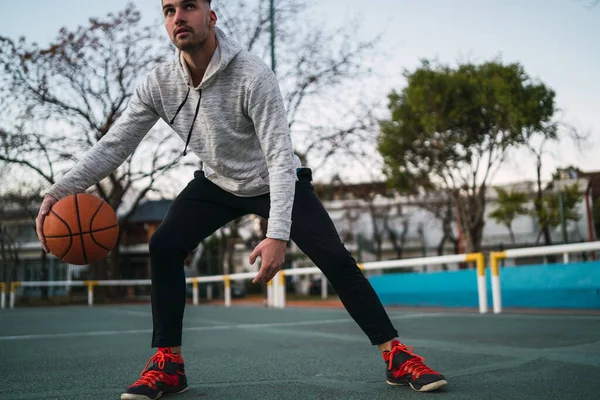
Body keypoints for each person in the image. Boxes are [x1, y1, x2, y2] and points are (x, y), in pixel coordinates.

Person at [35, 1, 447, 399]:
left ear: (210, 16)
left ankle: (396, 354)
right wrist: (59, 191)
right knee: (163, 244)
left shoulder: (254, 75)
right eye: (169, 10)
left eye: (188, 7)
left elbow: (280, 160)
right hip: (217, 183)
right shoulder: (158, 84)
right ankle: (168, 363)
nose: (178, 17)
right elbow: (114, 146)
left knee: (336, 259)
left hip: (276, 178)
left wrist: (277, 234)